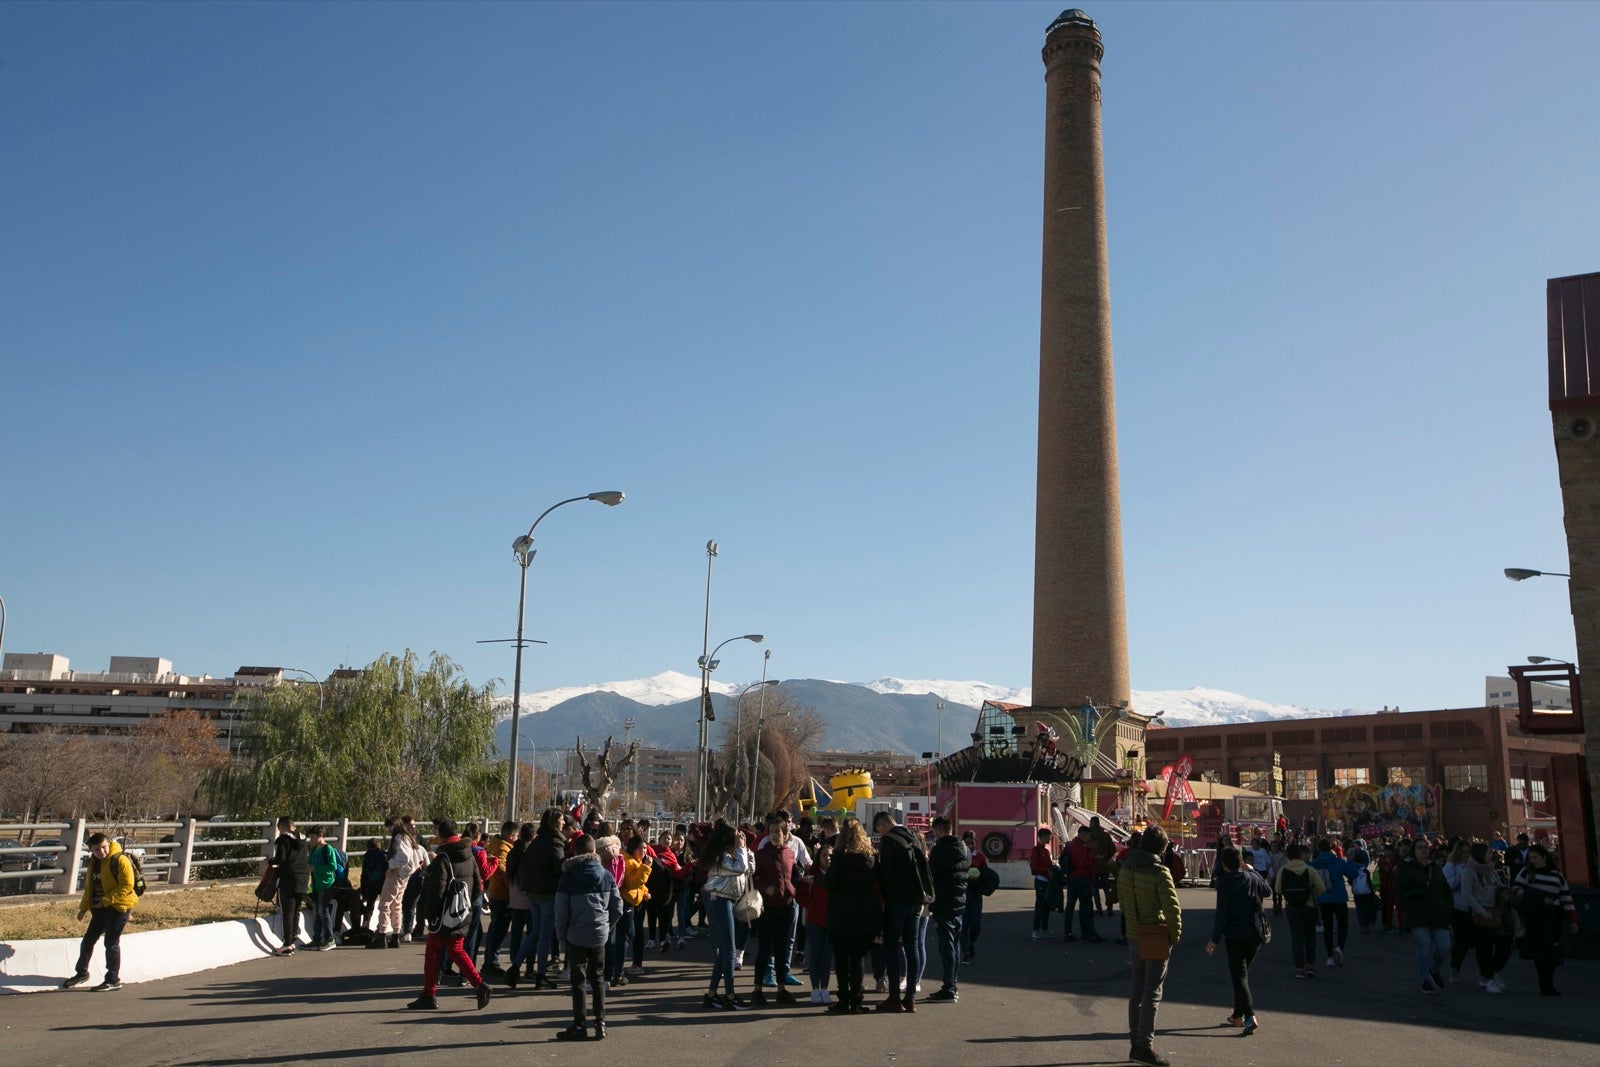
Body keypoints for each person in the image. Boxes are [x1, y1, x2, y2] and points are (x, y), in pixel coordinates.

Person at [407, 819, 492, 1011]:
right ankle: (479, 986)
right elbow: (478, 884)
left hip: (444, 913)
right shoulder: (469, 854)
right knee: (456, 949)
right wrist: (468, 907)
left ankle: (430, 994)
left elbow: (437, 889)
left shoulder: (443, 857)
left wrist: (430, 913)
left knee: (434, 951)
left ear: (440, 835)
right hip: (462, 910)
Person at [1118, 827, 1182, 1067]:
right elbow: (1172, 910)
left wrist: (1133, 924)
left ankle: (1135, 1042)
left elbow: (1122, 903)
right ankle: (1144, 1045)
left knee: (1137, 989)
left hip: (1134, 934)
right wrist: (1173, 938)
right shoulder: (1160, 872)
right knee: (1152, 991)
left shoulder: (1127, 867)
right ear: (1162, 848)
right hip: (1155, 935)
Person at [554, 833, 622, 1040]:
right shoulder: (606, 875)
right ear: (595, 851)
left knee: (578, 981)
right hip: (600, 934)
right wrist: (607, 926)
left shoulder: (567, 877)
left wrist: (562, 934)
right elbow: (617, 907)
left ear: (575, 852)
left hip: (576, 934)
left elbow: (561, 910)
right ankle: (600, 1023)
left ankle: (579, 1024)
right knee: (598, 979)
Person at [1205, 846, 1270, 1036]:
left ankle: (1250, 1016)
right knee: (1241, 975)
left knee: (1239, 976)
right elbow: (1267, 891)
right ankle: (1237, 1015)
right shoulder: (1250, 878)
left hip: (1234, 935)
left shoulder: (1224, 883)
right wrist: (1253, 871)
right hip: (1254, 934)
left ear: (1223, 864)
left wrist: (1214, 939)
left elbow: (1222, 915)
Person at [61, 833, 138, 991]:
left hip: (119, 907)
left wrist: (105, 900)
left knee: (111, 943)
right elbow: (89, 887)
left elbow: (127, 886)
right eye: (97, 850)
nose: (101, 852)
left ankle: (112, 979)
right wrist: (83, 909)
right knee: (88, 941)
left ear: (108, 844)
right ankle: (82, 973)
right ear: (91, 850)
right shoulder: (93, 863)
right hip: (99, 909)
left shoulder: (120, 860)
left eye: (104, 847)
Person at [873, 810, 932, 1014]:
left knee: (891, 947)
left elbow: (886, 874)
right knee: (912, 946)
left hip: (897, 901)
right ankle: (910, 998)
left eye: (879, 830)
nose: (880, 834)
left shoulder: (889, 841)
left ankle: (894, 998)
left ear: (882, 825)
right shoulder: (913, 836)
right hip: (916, 900)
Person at [825, 817, 881, 1015]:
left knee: (841, 958)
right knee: (857, 958)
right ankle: (857, 999)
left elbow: (830, 882)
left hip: (840, 913)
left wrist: (817, 879)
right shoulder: (870, 857)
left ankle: (843, 999)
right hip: (865, 913)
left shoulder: (840, 856)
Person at [1512, 843, 1580, 996]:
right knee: (1540, 950)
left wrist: (1573, 919)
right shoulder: (1527, 872)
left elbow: (1566, 897)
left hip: (1553, 917)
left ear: (1544, 858)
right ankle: (1544, 982)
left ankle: (1548, 981)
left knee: (1551, 949)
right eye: (1531, 858)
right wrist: (1537, 898)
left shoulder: (1556, 875)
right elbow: (1516, 889)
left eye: (1536, 857)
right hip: (1535, 917)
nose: (1533, 861)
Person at [699, 820, 751, 1010]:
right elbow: (740, 868)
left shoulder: (724, 855)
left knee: (723, 953)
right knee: (729, 951)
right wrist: (742, 848)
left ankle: (712, 994)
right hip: (719, 901)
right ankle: (730, 995)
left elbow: (748, 869)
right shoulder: (720, 857)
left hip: (724, 901)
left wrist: (745, 851)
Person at [752, 814, 799, 1006]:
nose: (774, 835)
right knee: (764, 949)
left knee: (781, 949)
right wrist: (765, 888)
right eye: (771, 832)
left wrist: (793, 890)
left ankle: (781, 989)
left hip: (787, 906)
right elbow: (753, 877)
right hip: (768, 907)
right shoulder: (762, 854)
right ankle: (757, 990)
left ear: (785, 834)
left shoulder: (789, 853)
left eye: (777, 832)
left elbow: (794, 875)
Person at [1396, 838, 1453, 993]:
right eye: (1419, 848)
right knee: (1424, 947)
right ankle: (1424, 979)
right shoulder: (1405, 866)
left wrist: (1448, 907)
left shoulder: (1434, 867)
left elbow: (1446, 889)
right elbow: (1399, 890)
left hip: (1438, 913)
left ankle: (1434, 970)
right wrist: (1409, 907)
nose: (1423, 851)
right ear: (1414, 850)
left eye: (1425, 848)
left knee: (1444, 946)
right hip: (1418, 915)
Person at [925, 815, 970, 1002]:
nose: (934, 836)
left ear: (940, 831)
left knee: (946, 947)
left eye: (935, 832)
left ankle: (949, 987)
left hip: (943, 902)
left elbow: (931, 875)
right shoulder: (964, 848)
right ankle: (953, 983)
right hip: (959, 901)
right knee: (954, 945)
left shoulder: (939, 850)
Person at [1461, 842, 1512, 993]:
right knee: (1484, 948)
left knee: (1505, 945)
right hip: (1480, 914)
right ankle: (1488, 977)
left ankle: (1494, 970)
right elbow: (1467, 895)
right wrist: (1481, 911)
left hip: (1496, 912)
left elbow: (1498, 885)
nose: (1491, 855)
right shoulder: (1469, 872)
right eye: (1488, 853)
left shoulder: (1492, 870)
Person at [1274, 843, 1325, 979]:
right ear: (1300, 855)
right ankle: (1310, 966)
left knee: (1297, 938)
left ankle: (1299, 969)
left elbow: (1278, 890)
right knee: (1310, 936)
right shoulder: (1309, 870)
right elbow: (1321, 888)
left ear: (1288, 856)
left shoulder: (1283, 870)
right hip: (1309, 907)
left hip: (1292, 908)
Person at [1309, 838, 1359, 968]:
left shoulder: (1315, 864)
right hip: (1339, 897)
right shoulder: (1338, 862)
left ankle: (1329, 956)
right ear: (1330, 848)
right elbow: (1353, 874)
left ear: (1319, 849)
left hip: (1324, 898)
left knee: (1328, 927)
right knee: (1343, 925)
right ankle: (1339, 948)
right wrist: (1351, 861)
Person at [795, 839, 833, 1005]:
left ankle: (824, 988)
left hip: (832, 920)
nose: (827, 858)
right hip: (814, 920)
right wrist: (812, 905)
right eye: (824, 855)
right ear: (819, 857)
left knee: (827, 955)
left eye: (830, 855)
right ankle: (815, 989)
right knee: (816, 954)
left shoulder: (836, 875)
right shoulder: (812, 874)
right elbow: (800, 896)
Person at [478, 819, 518, 975]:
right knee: (498, 931)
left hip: (496, 892)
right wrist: (513, 881)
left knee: (495, 930)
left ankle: (489, 962)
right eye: (515, 836)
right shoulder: (503, 848)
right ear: (511, 836)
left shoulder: (495, 845)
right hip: (502, 894)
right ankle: (491, 963)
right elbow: (500, 869)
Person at [377, 816, 423, 949]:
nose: (388, 830)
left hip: (397, 873)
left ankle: (382, 934)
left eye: (389, 827)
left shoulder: (399, 838)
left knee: (385, 904)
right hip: (404, 874)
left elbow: (404, 856)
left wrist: (391, 865)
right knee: (396, 904)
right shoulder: (406, 837)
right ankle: (396, 934)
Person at [268, 816, 311, 956]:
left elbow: (281, 859)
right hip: (303, 877)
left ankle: (287, 944)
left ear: (283, 827)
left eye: (279, 829)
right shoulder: (303, 839)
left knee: (287, 911)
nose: (279, 832)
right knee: (297, 910)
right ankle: (292, 938)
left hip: (288, 878)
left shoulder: (282, 840)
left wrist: (270, 861)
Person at [619, 836, 653, 979]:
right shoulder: (629, 862)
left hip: (636, 902)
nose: (643, 851)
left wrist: (645, 892)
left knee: (635, 934)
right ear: (633, 848)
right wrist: (646, 868)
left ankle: (634, 965)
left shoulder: (636, 861)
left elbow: (639, 885)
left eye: (645, 848)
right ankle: (619, 967)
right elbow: (632, 883)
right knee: (628, 935)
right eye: (640, 848)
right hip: (628, 902)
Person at [1442, 839, 1475, 983]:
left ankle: (1488, 974)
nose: (1465, 854)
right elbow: (1447, 885)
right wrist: (1463, 876)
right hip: (1458, 907)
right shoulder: (1451, 865)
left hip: (1475, 907)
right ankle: (1455, 968)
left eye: (1468, 852)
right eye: (1463, 851)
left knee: (1478, 941)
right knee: (1461, 940)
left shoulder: (1475, 865)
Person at [1061, 826, 1101, 943]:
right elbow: (1083, 864)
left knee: (1070, 906)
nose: (1089, 839)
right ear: (1082, 835)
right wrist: (1093, 859)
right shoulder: (1080, 847)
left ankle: (1068, 932)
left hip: (1071, 878)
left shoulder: (1070, 845)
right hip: (1081, 879)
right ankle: (1089, 933)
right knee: (1086, 907)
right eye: (1088, 836)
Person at [305, 826, 341, 950]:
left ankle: (329, 938)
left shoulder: (328, 849)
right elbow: (308, 863)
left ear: (320, 835)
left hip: (326, 884)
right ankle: (317, 938)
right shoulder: (314, 850)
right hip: (315, 885)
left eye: (313, 837)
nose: (311, 839)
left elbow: (333, 866)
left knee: (323, 910)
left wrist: (317, 868)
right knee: (317, 912)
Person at [960, 830, 988, 964]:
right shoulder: (959, 856)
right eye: (968, 843)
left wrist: (978, 879)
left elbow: (986, 874)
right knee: (963, 924)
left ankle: (971, 943)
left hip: (976, 893)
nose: (971, 845)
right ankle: (965, 951)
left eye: (973, 842)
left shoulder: (980, 858)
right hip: (963, 893)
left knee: (975, 925)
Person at [1029, 825, 1057, 941]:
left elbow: (1048, 865)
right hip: (1041, 881)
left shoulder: (1045, 850)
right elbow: (1034, 868)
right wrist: (1046, 871)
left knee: (1046, 906)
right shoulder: (1036, 850)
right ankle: (1035, 930)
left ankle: (1044, 929)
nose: (1049, 839)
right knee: (1040, 906)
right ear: (1043, 836)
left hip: (1047, 881)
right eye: (1048, 837)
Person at [358, 837, 387, 940]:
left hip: (370, 884)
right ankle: (380, 927)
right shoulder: (384, 855)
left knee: (369, 906)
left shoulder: (367, 857)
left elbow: (364, 874)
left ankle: (366, 924)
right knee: (383, 907)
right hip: (383, 884)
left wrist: (363, 890)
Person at [1347, 840, 1377, 934]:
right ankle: (1366, 924)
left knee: (1360, 909)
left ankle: (1363, 926)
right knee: (1366, 907)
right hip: (1367, 891)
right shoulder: (1366, 871)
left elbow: (1350, 880)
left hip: (1357, 891)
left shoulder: (1353, 869)